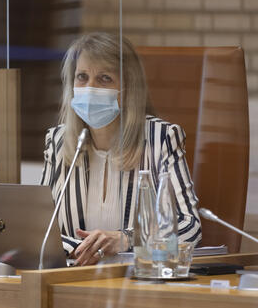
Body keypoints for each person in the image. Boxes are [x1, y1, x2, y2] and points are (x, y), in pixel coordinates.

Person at [40, 32, 201, 266]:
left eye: (104, 78)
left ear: (128, 89)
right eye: (82, 77)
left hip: (137, 280)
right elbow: (39, 228)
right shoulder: (58, 141)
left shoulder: (161, 139)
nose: (90, 87)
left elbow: (190, 227)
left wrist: (125, 239)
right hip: (72, 277)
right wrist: (85, 249)